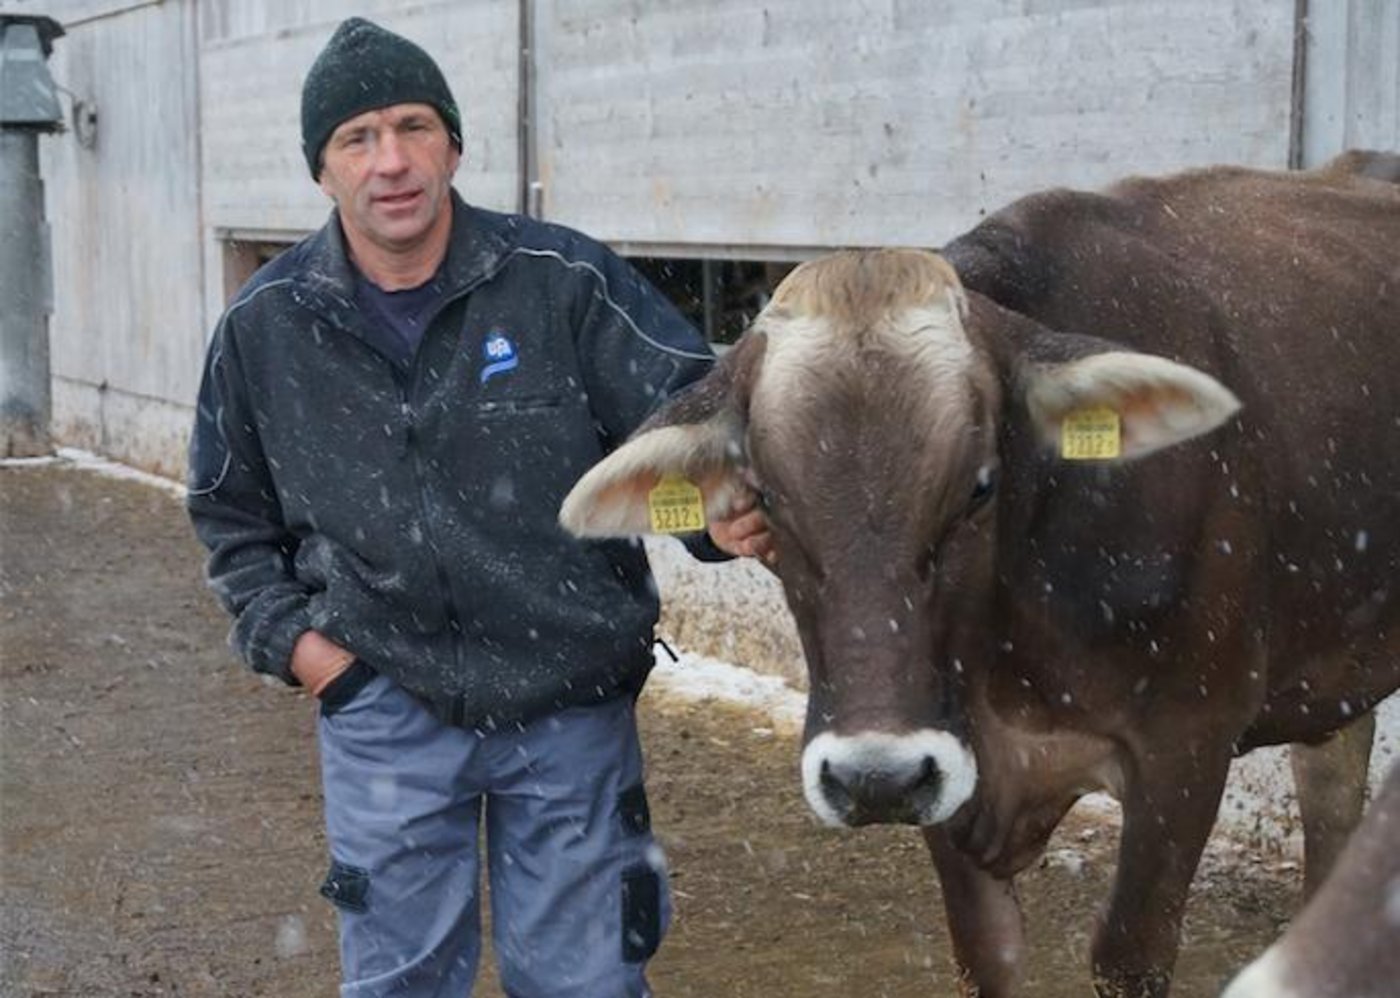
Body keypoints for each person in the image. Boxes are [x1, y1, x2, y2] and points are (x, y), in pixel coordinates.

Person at [186, 17, 770, 997]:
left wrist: (705, 518)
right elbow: (228, 512)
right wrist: (310, 655)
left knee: (584, 982)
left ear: (454, 143)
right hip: (383, 705)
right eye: (357, 139)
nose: (392, 161)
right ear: (320, 171)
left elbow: (687, 436)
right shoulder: (268, 327)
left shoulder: (562, 283)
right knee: (399, 983)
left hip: (569, 707)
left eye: (414, 126)